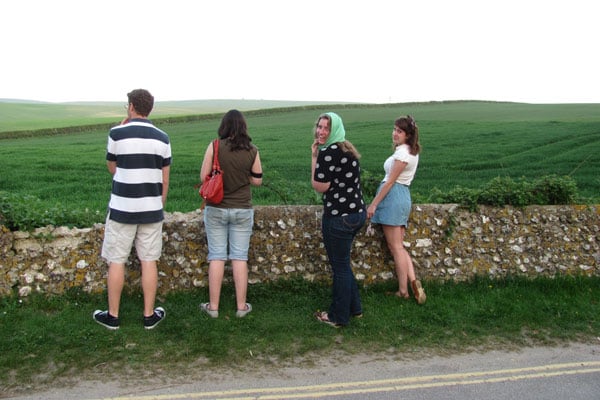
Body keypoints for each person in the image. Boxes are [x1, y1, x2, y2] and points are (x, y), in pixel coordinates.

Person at [93, 89, 171, 330]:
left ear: (131, 106)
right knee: (149, 261)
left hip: (121, 208)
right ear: (150, 109)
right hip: (151, 208)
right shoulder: (163, 138)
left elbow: (112, 168)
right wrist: (160, 204)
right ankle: (149, 316)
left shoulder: (116, 133)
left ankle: (113, 316)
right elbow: (164, 178)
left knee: (116, 261)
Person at [199, 109, 263, 318]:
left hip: (216, 209)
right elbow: (257, 180)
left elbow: (203, 176)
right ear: (243, 127)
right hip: (242, 209)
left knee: (216, 256)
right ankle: (241, 307)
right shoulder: (253, 150)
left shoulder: (215, 146)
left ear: (224, 126)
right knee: (239, 258)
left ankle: (214, 307)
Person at [311, 112, 366, 328]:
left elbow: (318, 186)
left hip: (339, 218)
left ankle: (338, 317)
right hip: (357, 214)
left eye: (326, 128)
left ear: (334, 130)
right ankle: (355, 309)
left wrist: (314, 156)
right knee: (344, 264)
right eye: (319, 126)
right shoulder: (347, 149)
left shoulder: (328, 153)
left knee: (340, 267)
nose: (321, 131)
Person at [366, 115, 426, 304]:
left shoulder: (402, 154)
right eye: (394, 129)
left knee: (396, 248)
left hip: (393, 196)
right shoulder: (411, 152)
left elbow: (390, 181)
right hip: (403, 196)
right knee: (399, 246)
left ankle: (403, 291)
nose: (394, 133)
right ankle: (414, 282)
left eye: (399, 131)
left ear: (408, 135)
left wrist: (374, 204)